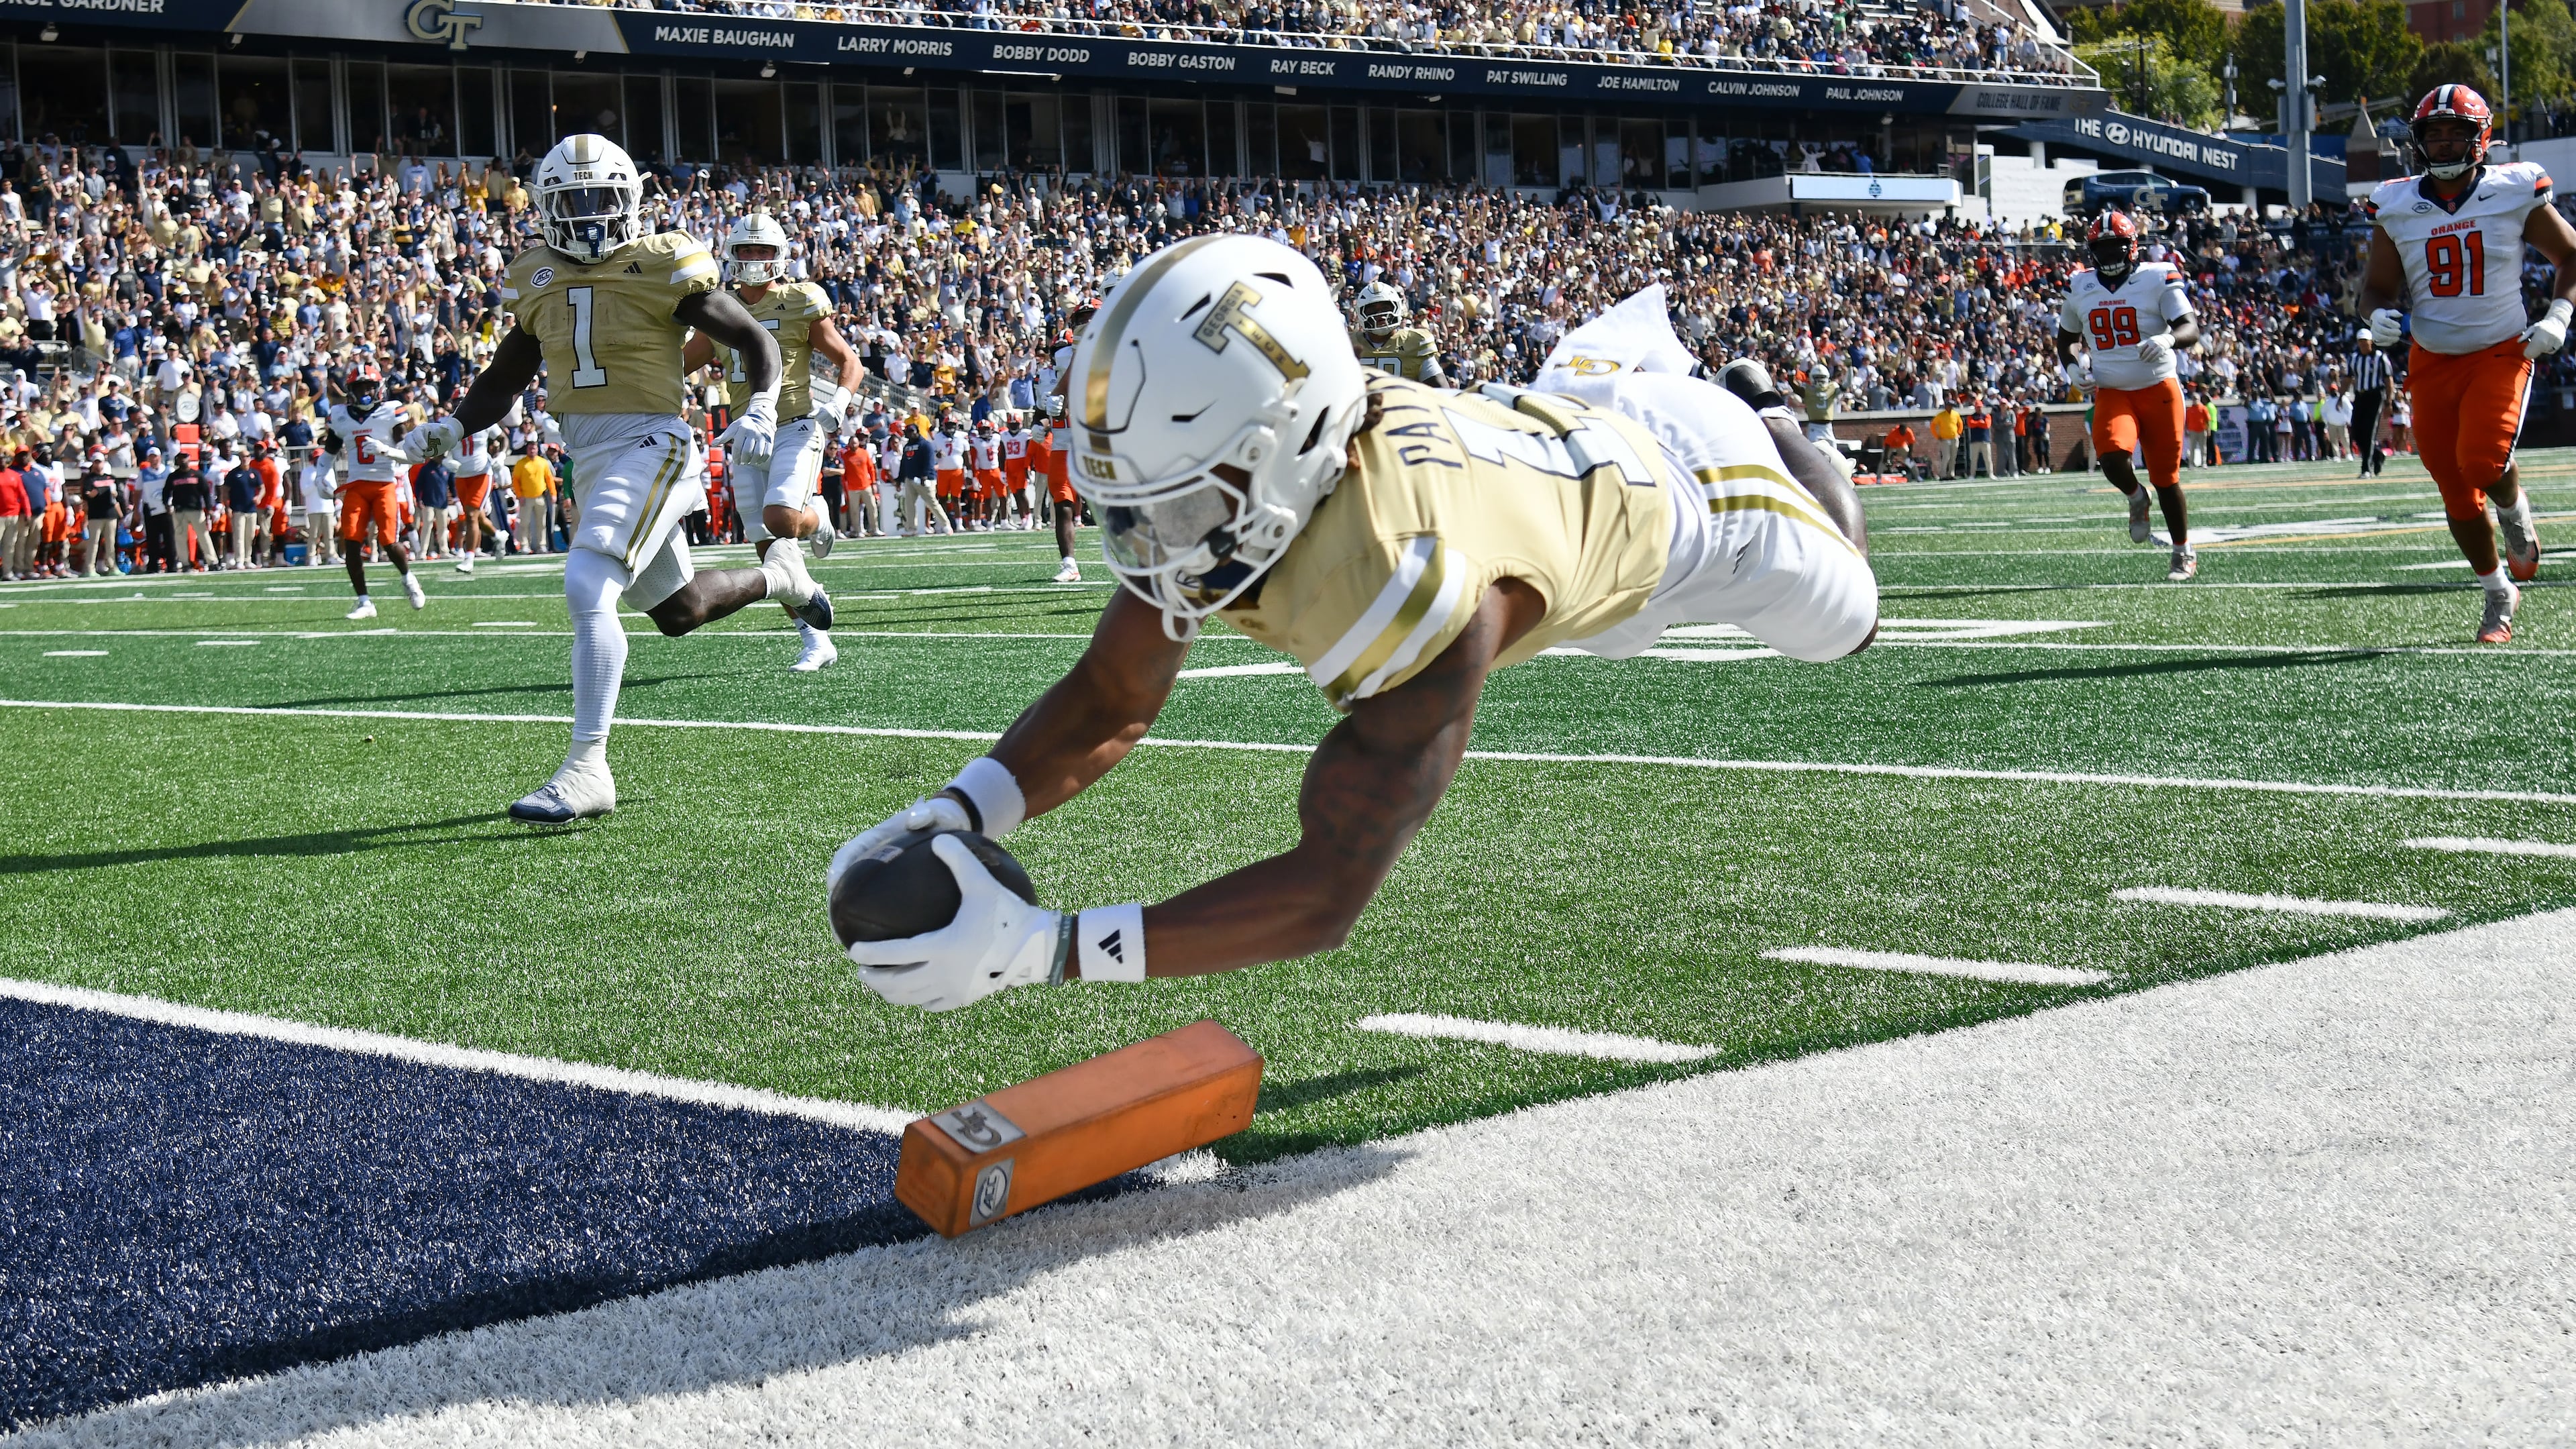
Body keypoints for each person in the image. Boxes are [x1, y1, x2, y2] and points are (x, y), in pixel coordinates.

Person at [828, 254, 1876, 1011]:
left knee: (1850, 622)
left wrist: (1050, 950)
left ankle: (1780, 418)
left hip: (1708, 504)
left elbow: (1328, 890)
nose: (1156, 540)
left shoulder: (1411, 576)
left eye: (1181, 505)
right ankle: (1617, 377)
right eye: (1136, 506)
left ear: (1287, 447)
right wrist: (957, 808)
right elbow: (1114, 696)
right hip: (1562, 445)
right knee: (1601, 612)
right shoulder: (1264, 466)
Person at [400, 134, 833, 822]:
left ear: (630, 200)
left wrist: (757, 404)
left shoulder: (663, 260)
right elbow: (507, 374)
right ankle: (783, 578)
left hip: (651, 442)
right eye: (573, 201)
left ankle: (587, 767)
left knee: (587, 582)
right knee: (678, 612)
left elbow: (755, 338)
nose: (589, 214)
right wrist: (453, 427)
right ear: (544, 206)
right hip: (590, 456)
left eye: (602, 198)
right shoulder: (535, 273)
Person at [2358, 85, 2575, 642]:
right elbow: (2377, 288)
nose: (2446, 141)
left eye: (2457, 131)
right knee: (2454, 490)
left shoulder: (2513, 188)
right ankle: (2498, 592)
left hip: (2502, 350)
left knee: (2480, 462)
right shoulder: (2396, 202)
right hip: (2432, 358)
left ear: (2482, 137)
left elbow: (2570, 255)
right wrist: (2377, 316)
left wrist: (2559, 315)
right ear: (2418, 141)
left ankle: (2515, 509)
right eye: (2435, 132)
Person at [681, 210, 855, 673]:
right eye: (747, 250)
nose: (755, 258)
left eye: (763, 250)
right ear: (732, 255)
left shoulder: (800, 300)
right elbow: (679, 362)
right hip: (747, 433)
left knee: (781, 520)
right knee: (764, 544)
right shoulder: (719, 307)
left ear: (779, 256)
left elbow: (849, 361)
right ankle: (814, 638)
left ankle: (818, 520)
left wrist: (838, 401)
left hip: (796, 425)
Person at [2056, 209, 2200, 581]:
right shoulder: (2079, 285)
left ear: (2132, 246)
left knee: (2166, 479)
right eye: (2100, 250)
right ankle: (2137, 497)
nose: (2108, 256)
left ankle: (2183, 550)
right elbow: (2067, 338)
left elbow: (2189, 327)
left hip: (2159, 387)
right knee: (2111, 457)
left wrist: (2167, 338)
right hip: (2114, 389)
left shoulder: (2157, 276)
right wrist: (2073, 369)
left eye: (2114, 247)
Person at [322, 365, 425, 619]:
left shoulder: (392, 411)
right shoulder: (340, 415)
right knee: (351, 541)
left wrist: (385, 450)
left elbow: (408, 455)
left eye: (370, 386)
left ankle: (409, 579)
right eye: (360, 387)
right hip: (356, 486)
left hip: (385, 484)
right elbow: (328, 454)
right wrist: (320, 476)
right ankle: (364, 601)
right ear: (351, 391)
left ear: (379, 388)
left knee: (389, 541)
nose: (366, 391)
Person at [1349, 278, 1446, 384]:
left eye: (1386, 308)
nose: (1380, 315)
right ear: (1360, 313)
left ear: (1398, 308)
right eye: (1372, 310)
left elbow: (1441, 389)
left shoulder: (1415, 342)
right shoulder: (1347, 344)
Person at [2349, 333, 2390, 477]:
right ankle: (2378, 455)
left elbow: (2388, 379)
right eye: (2360, 342)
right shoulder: (2354, 358)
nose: (2363, 344)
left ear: (2371, 342)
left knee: (2370, 432)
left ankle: (2366, 468)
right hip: (2360, 396)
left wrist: (2389, 402)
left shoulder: (2380, 357)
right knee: (2356, 431)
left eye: (2365, 341)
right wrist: (2341, 396)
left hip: (2375, 396)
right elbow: (2348, 378)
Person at [166, 450, 214, 574]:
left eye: (185, 458)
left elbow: (206, 492)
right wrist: (166, 504)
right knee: (180, 538)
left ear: (189, 459)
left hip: (196, 510)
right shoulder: (173, 476)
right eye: (180, 458)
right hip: (179, 511)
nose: (183, 460)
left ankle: (212, 561)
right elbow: (166, 491)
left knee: (203, 536)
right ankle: (185, 563)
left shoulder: (197, 475)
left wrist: (209, 508)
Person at [509, 441, 554, 555]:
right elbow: (516, 481)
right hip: (526, 498)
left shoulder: (543, 463)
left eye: (534, 448)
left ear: (537, 449)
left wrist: (553, 493)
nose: (532, 450)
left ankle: (542, 545)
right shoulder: (521, 463)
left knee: (542, 523)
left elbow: (549, 479)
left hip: (540, 497)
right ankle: (524, 545)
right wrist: (520, 496)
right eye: (530, 448)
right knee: (524, 523)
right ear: (527, 450)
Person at [297, 443, 337, 567]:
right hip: (314, 508)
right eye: (316, 458)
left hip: (328, 507)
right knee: (313, 535)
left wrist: (325, 483)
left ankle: (331, 556)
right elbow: (304, 491)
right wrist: (315, 483)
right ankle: (312, 557)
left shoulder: (329, 470)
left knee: (329, 535)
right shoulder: (306, 472)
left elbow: (334, 489)